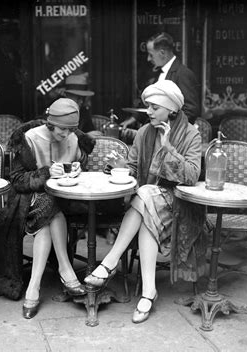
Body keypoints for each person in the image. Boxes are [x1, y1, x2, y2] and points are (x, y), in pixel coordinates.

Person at [84, 80, 206, 324]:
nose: (148, 112)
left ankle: (110, 262)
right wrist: (120, 166)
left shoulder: (191, 134)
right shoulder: (144, 132)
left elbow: (192, 176)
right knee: (146, 200)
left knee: (145, 196)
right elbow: (132, 167)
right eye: (148, 106)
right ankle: (148, 291)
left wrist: (169, 147)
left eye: (153, 107)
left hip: (179, 202)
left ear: (171, 109)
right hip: (149, 202)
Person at [0, 98, 96, 319]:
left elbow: (79, 164)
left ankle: (34, 287)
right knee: (50, 208)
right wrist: (46, 173)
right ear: (50, 123)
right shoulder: (29, 138)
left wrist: (77, 167)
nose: (66, 135)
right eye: (62, 129)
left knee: (50, 211)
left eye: (71, 130)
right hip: (27, 198)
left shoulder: (73, 138)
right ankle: (65, 270)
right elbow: (18, 180)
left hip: (64, 198)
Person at [122, 32, 200, 132]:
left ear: (162, 53)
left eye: (151, 55)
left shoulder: (183, 74)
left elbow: (191, 111)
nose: (148, 59)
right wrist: (134, 118)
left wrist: (168, 129)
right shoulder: (157, 74)